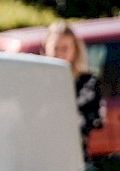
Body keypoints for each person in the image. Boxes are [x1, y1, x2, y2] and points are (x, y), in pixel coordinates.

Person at [43, 20, 104, 162]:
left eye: (64, 48)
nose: (59, 53)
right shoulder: (36, 81)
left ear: (74, 49)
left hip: (73, 157)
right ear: (46, 47)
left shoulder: (88, 82)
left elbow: (96, 120)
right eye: (55, 48)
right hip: (40, 156)